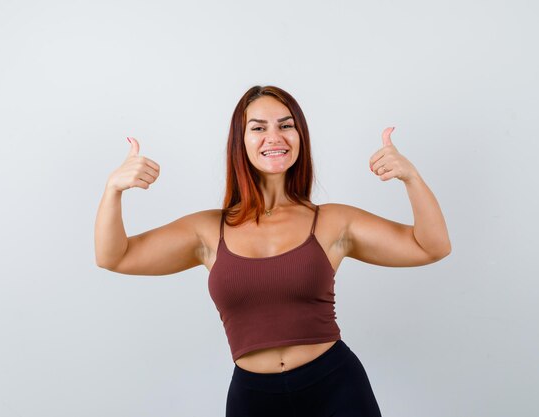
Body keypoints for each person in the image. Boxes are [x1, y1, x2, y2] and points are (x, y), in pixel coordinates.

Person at [94, 85, 451, 417]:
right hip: (253, 399)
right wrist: (114, 189)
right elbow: (114, 256)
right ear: (241, 140)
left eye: (286, 125)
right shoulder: (205, 231)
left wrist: (412, 178)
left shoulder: (333, 222)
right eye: (258, 128)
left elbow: (431, 247)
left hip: (336, 389)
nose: (274, 137)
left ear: (300, 137)